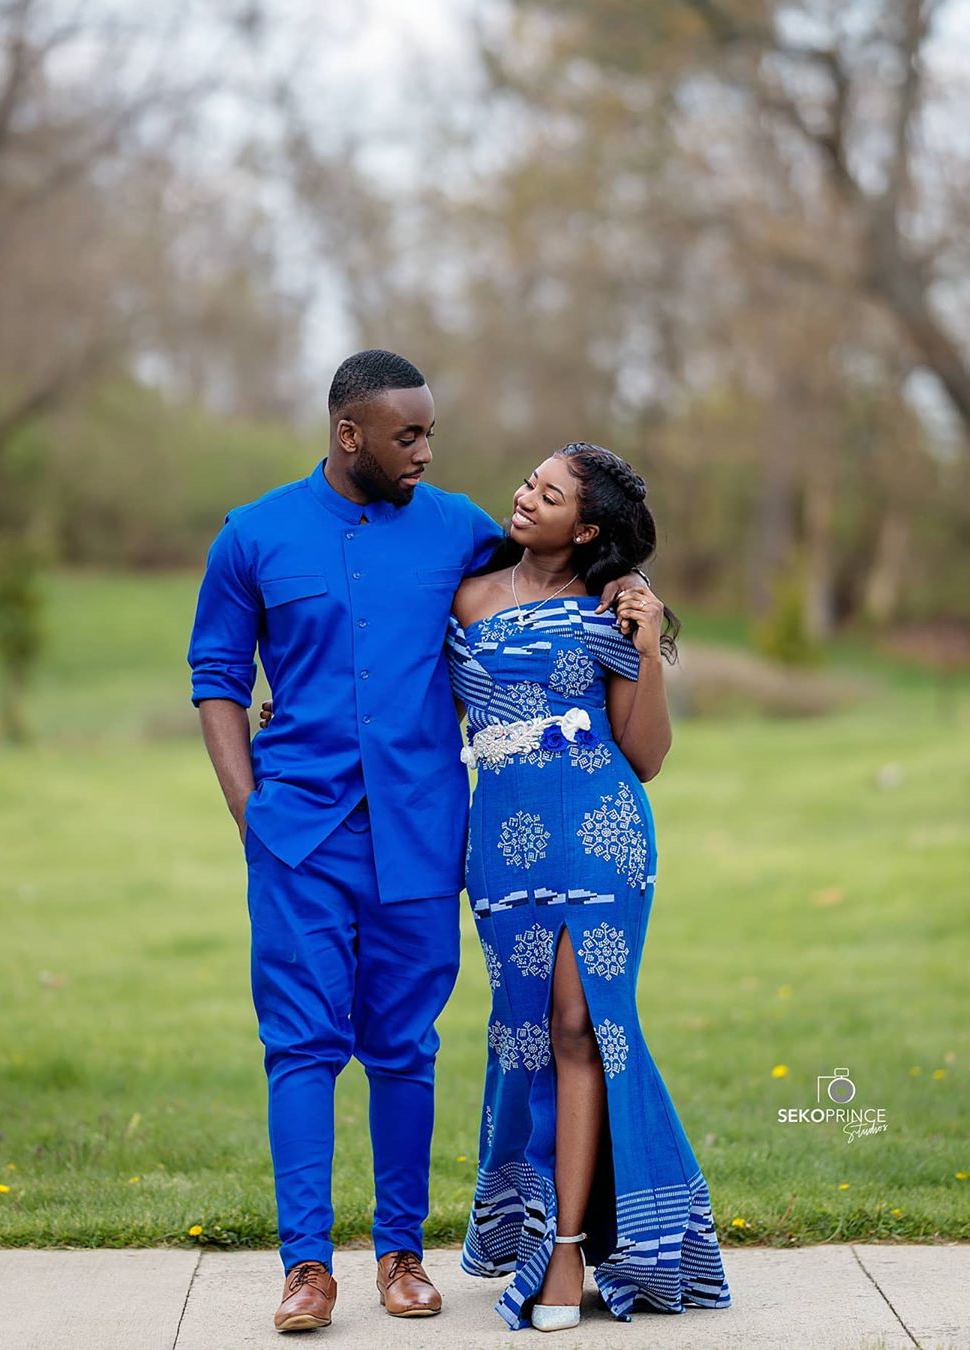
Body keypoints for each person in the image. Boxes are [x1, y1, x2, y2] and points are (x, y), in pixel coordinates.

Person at [186, 351, 645, 1333]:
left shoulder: (460, 531)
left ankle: (401, 1257)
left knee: (403, 1048)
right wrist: (248, 810)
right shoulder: (253, 535)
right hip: (300, 838)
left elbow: (558, 571)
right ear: (348, 433)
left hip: (424, 836)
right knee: (300, 1046)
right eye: (408, 437)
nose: (426, 452)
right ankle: (306, 1270)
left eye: (430, 433)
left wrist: (633, 601)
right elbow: (217, 676)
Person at [446, 442, 732, 1331]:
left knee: (581, 1023)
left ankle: (566, 1252)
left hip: (601, 833)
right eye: (530, 482)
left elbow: (646, 754)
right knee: (525, 1033)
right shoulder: (466, 595)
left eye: (550, 494)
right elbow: (414, 712)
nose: (526, 497)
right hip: (501, 843)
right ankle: (560, 1226)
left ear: (587, 528)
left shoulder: (615, 603)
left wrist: (646, 646)